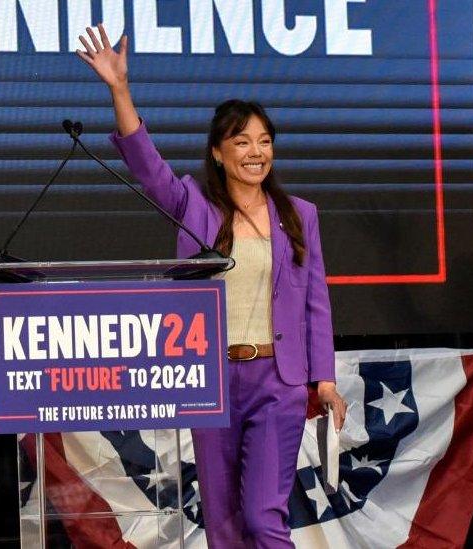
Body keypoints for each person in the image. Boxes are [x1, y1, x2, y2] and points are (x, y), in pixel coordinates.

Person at [77, 24, 347, 548]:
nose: (255, 151)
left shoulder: (300, 215)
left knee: (264, 516)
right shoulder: (193, 206)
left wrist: (325, 380)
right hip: (211, 380)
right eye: (241, 141)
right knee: (223, 523)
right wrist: (119, 89)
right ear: (219, 153)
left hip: (279, 382)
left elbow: (317, 304)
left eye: (264, 141)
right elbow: (146, 166)